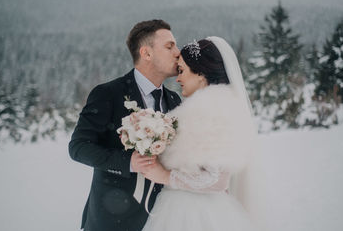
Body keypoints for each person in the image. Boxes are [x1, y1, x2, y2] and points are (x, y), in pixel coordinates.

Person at [69, 19, 182, 231]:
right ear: (146, 53)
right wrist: (128, 161)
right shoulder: (108, 94)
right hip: (112, 220)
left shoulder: (174, 100)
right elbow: (78, 147)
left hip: (162, 218)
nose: (178, 52)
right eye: (169, 46)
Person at [141, 37, 259, 231]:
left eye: (181, 71)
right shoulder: (205, 109)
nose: (177, 78)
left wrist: (165, 176)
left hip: (195, 212)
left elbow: (217, 180)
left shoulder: (211, 112)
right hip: (184, 205)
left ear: (201, 74)